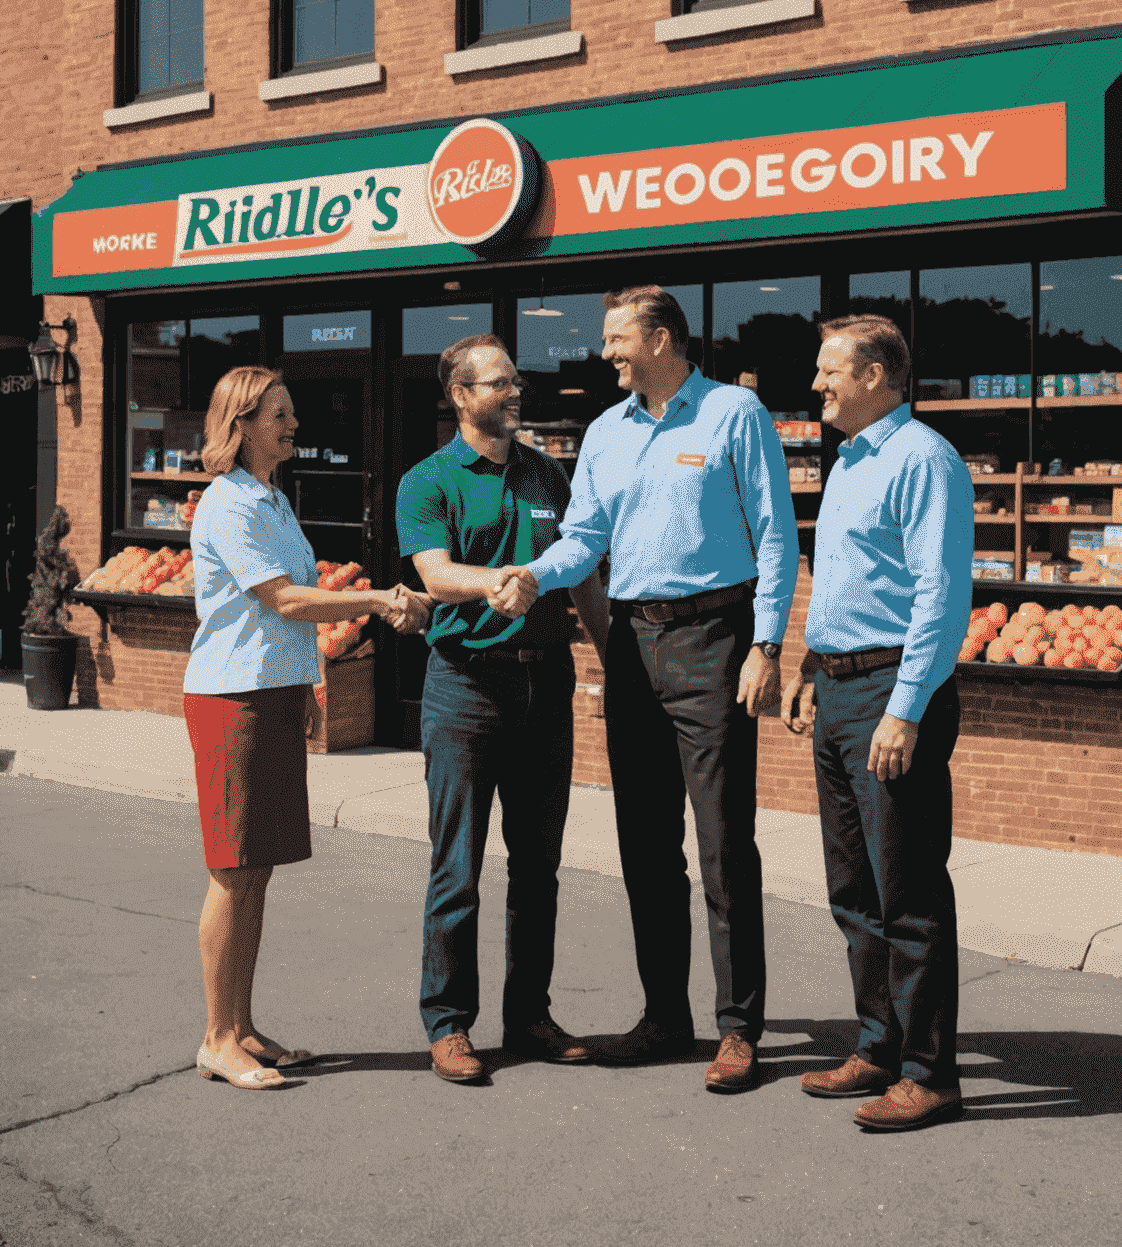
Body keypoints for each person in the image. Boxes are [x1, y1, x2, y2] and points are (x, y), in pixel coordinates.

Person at [493, 285, 798, 1093]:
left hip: (716, 639)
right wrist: (532, 575)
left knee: (725, 845)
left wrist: (766, 645)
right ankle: (666, 1017)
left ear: (663, 339)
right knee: (647, 847)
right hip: (630, 642)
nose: (606, 353)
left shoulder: (734, 413)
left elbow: (776, 533)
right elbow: (585, 537)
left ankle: (740, 1029)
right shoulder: (604, 431)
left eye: (619, 338)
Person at [183, 366, 429, 1090]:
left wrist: (308, 681)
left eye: (292, 413)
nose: (293, 424)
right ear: (241, 424)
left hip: (273, 691)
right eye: (278, 414)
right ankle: (215, 1038)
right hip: (232, 699)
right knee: (232, 871)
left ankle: (243, 1024)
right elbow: (285, 600)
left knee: (255, 870)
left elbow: (284, 611)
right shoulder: (230, 504)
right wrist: (382, 599)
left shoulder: (271, 502)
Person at [395, 334, 610, 1085]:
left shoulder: (548, 472)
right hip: (465, 686)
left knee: (539, 867)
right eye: (500, 384)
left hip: (545, 682)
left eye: (517, 381)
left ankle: (529, 1017)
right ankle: (449, 1024)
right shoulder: (427, 481)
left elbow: (581, 570)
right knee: (456, 867)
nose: (516, 393)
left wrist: (613, 662)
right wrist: (499, 582)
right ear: (461, 395)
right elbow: (434, 572)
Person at [780, 314, 973, 1132]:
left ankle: (931, 1073)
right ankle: (878, 1044)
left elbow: (939, 592)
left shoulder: (922, 458)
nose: (817, 384)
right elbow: (844, 581)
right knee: (854, 890)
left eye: (831, 371)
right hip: (839, 689)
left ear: (876, 377)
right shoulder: (853, 459)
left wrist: (906, 707)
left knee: (909, 893)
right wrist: (808, 667)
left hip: (892, 694)